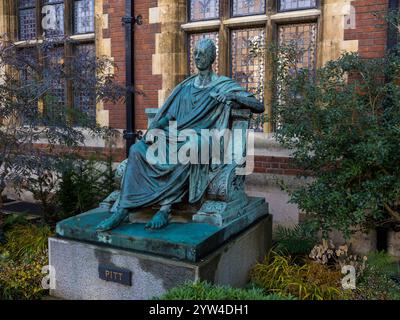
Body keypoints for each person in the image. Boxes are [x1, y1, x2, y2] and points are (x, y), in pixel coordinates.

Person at [96, 39, 264, 232]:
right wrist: (154, 129)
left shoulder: (224, 86)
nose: (198, 57)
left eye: (202, 53)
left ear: (212, 57)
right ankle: (123, 209)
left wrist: (233, 97)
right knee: (137, 149)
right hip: (177, 135)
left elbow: (259, 106)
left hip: (206, 138)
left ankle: (165, 209)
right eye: (195, 53)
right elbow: (167, 116)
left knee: (190, 147)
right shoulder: (185, 87)